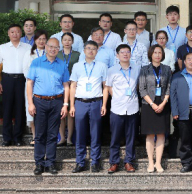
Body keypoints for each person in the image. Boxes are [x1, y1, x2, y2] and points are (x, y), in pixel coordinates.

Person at [26, 37, 70, 175]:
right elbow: (29, 83)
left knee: (52, 134)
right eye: (50, 46)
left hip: (57, 101)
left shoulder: (62, 64)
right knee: (40, 134)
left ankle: (50, 162)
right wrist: (30, 103)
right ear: (45, 47)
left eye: (56, 47)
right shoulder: (36, 62)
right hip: (39, 101)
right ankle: (39, 163)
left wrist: (65, 104)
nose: (53, 49)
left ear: (59, 49)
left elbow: (66, 85)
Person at [69, 40, 107, 173]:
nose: (91, 51)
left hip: (96, 102)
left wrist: (104, 104)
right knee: (80, 133)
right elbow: (73, 86)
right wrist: (72, 105)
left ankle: (95, 161)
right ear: (84, 50)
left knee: (95, 133)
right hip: (80, 102)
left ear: (97, 51)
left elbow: (105, 87)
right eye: (88, 48)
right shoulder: (77, 66)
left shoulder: (102, 66)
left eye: (93, 49)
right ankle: (80, 162)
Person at [0, 24, 31, 146]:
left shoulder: (28, 47)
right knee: (7, 109)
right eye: (12, 32)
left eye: (17, 32)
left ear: (21, 33)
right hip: (7, 79)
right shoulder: (3, 47)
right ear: (8, 34)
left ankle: (18, 138)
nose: (15, 34)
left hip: (22, 80)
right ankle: (6, 138)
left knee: (20, 108)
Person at [105, 44, 140, 174]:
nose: (125, 54)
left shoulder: (137, 68)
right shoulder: (112, 70)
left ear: (130, 54)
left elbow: (138, 86)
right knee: (115, 137)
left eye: (127, 52)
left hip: (132, 107)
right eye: (122, 52)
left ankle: (129, 161)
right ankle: (114, 162)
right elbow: (108, 87)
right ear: (117, 55)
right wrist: (117, 97)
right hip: (117, 108)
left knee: (131, 137)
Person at [139, 44, 172, 173]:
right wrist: (152, 104)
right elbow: (142, 89)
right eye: (155, 52)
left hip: (163, 103)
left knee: (161, 133)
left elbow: (168, 87)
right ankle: (150, 162)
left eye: (159, 52)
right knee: (150, 134)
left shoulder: (167, 69)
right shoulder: (144, 69)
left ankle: (158, 162)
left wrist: (163, 103)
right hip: (148, 104)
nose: (157, 55)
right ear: (151, 54)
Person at [23, 30, 49, 144]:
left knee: (45, 112)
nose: (41, 41)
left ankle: (45, 137)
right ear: (35, 40)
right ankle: (35, 137)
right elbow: (25, 69)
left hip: (46, 87)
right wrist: (34, 79)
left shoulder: (49, 52)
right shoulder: (29, 53)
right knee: (32, 112)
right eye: (39, 39)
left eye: (44, 39)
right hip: (31, 86)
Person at [58, 32, 81, 146]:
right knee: (61, 112)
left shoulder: (77, 55)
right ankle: (62, 137)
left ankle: (70, 138)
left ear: (73, 42)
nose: (67, 42)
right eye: (65, 40)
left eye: (69, 40)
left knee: (71, 112)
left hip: (73, 85)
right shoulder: (57, 54)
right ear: (61, 41)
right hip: (59, 85)